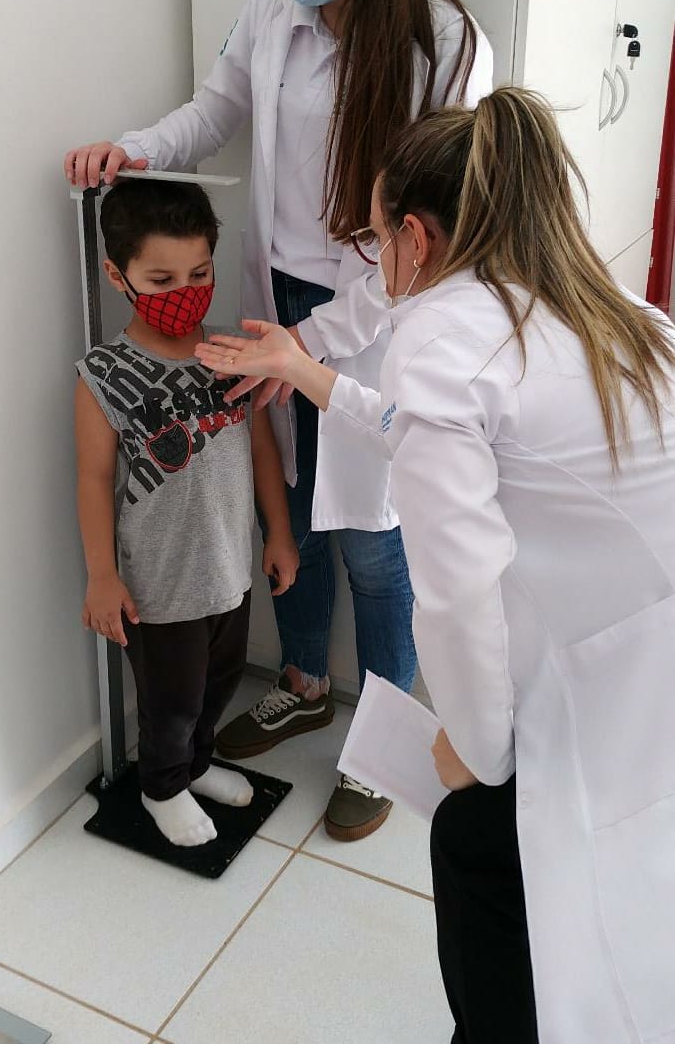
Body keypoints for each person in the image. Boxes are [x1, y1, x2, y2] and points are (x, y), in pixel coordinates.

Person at [195, 87, 675, 1043]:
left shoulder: (442, 330)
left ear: (414, 238)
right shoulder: (607, 309)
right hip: (640, 653)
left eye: (374, 243)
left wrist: (472, 745)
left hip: (611, 679)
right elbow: (426, 434)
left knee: (480, 851)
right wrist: (304, 371)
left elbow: (452, 596)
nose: (379, 266)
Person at [64, 0, 493, 841]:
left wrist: (315, 341)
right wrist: (138, 148)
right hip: (276, 300)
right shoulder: (274, 5)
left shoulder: (446, 44)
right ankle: (302, 677)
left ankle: (386, 739)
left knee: (375, 539)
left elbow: (431, 230)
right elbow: (216, 108)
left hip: (377, 313)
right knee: (287, 509)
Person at [74, 178, 298, 848]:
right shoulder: (104, 376)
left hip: (230, 566)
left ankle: (194, 766)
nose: (185, 291)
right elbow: (92, 477)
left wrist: (279, 532)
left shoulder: (232, 357)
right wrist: (101, 576)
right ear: (120, 275)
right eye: (162, 277)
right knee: (170, 701)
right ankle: (160, 785)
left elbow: (260, 448)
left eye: (199, 273)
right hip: (161, 583)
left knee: (220, 682)